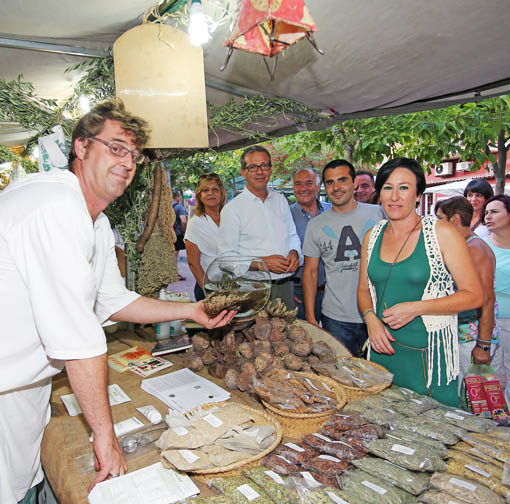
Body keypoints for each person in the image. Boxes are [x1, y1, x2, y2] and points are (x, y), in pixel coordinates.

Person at [0, 99, 235, 504]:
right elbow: (80, 340)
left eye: (134, 155)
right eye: (115, 148)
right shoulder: (55, 206)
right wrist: (104, 437)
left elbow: (112, 301)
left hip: (24, 388)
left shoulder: (96, 220)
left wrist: (192, 310)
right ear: (81, 147)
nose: (127, 162)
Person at [358, 157, 482, 406]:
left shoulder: (441, 233)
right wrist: (370, 318)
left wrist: (416, 307)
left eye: (404, 187)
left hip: (429, 355)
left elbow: (475, 295)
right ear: (379, 194)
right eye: (387, 187)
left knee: (434, 431)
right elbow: (363, 289)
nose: (395, 196)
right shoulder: (372, 236)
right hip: (383, 350)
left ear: (418, 195)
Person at [303, 159, 384, 355]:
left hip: (378, 314)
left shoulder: (378, 214)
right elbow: (310, 273)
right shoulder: (316, 225)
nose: (336, 187)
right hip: (335, 318)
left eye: (342, 180)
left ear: (354, 182)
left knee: (379, 375)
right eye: (330, 182)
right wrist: (310, 317)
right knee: (341, 376)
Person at [217, 145, 301, 309]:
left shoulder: (281, 200)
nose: (259, 171)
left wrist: (294, 252)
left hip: (285, 286)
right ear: (243, 172)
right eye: (253, 167)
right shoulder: (232, 209)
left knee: (287, 332)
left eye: (264, 166)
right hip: (253, 288)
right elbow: (225, 259)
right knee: (255, 333)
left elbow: (292, 236)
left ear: (270, 169)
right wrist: (261, 263)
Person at [435, 196, 496, 391]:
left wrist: (483, 345)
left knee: (469, 399)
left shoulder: (475, 249)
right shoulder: (463, 246)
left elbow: (486, 300)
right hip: (463, 336)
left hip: (472, 339)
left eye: (440, 219)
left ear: (454, 220)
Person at [290, 167, 331, 322]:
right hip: (298, 293)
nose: (303, 188)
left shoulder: (332, 212)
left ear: (318, 186)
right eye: (298, 184)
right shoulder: (285, 216)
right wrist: (287, 291)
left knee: (332, 341)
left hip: (331, 291)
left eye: (309, 183)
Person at [482, 194, 510, 406]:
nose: (488, 216)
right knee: (493, 373)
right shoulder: (479, 245)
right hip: (488, 320)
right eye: (486, 213)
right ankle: (497, 416)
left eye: (494, 211)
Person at [185, 173, 226, 301]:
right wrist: (211, 293)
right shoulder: (195, 223)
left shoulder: (231, 218)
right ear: (200, 196)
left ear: (221, 193)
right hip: (208, 288)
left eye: (215, 189)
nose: (210, 193)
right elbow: (193, 264)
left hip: (234, 286)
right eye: (205, 190)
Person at [172, 189, 188, 280]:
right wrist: (184, 231)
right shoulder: (179, 207)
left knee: (171, 253)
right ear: (177, 197)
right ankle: (174, 274)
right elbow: (184, 221)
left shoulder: (166, 207)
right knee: (175, 253)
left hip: (167, 233)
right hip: (177, 233)